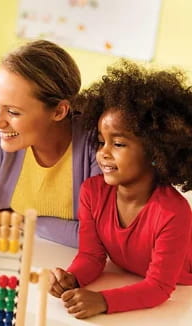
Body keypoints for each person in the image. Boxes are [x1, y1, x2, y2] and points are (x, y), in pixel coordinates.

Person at [49, 61, 192, 318]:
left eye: (118, 144)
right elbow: (91, 256)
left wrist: (102, 301)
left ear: (154, 151)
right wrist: (73, 278)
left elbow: (159, 287)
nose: (102, 153)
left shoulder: (173, 212)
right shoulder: (92, 193)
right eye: (101, 142)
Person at [0, 40, 100, 248]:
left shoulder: (96, 144)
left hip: (70, 267)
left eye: (14, 112)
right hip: (6, 256)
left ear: (59, 111)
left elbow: (97, 236)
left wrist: (21, 221)